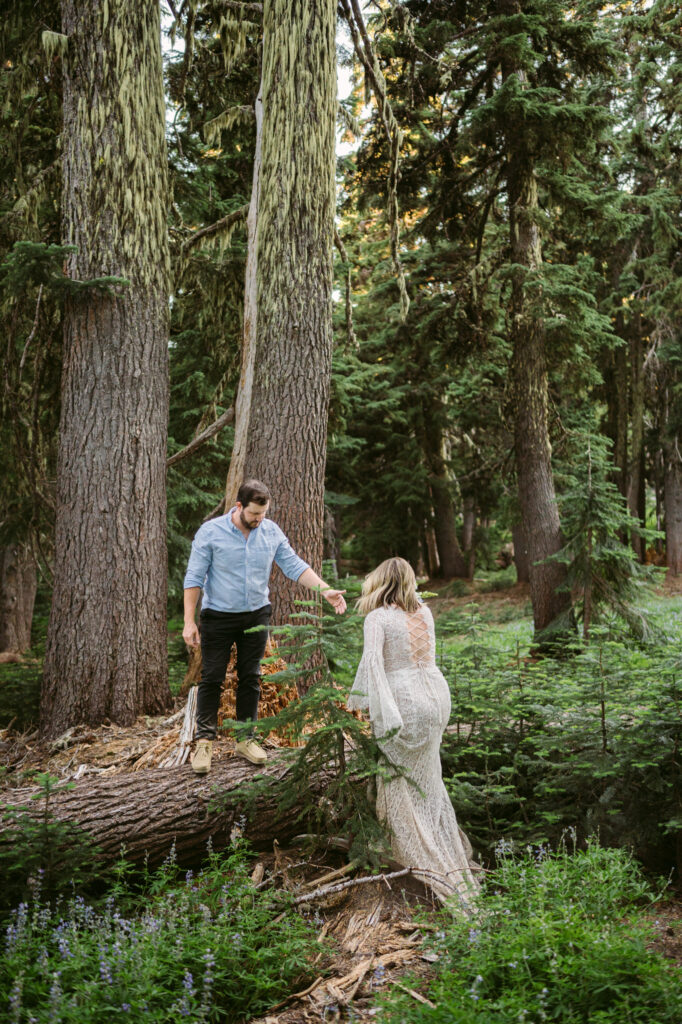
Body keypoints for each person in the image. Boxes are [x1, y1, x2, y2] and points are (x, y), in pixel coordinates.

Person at [183, 479, 346, 773]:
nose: (259, 519)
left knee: (251, 677)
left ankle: (246, 739)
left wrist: (326, 590)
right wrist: (188, 622)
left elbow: (295, 565)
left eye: (263, 513)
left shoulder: (270, 532)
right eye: (254, 514)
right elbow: (194, 578)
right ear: (239, 507)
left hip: (256, 615)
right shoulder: (211, 532)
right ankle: (203, 743)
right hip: (217, 617)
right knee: (212, 678)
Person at [347, 557, 479, 909]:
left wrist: (370, 708)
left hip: (404, 701)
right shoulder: (425, 612)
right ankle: (440, 845)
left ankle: (412, 854)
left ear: (381, 581)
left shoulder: (377, 618)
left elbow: (374, 664)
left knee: (399, 777)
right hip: (436, 698)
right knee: (428, 778)